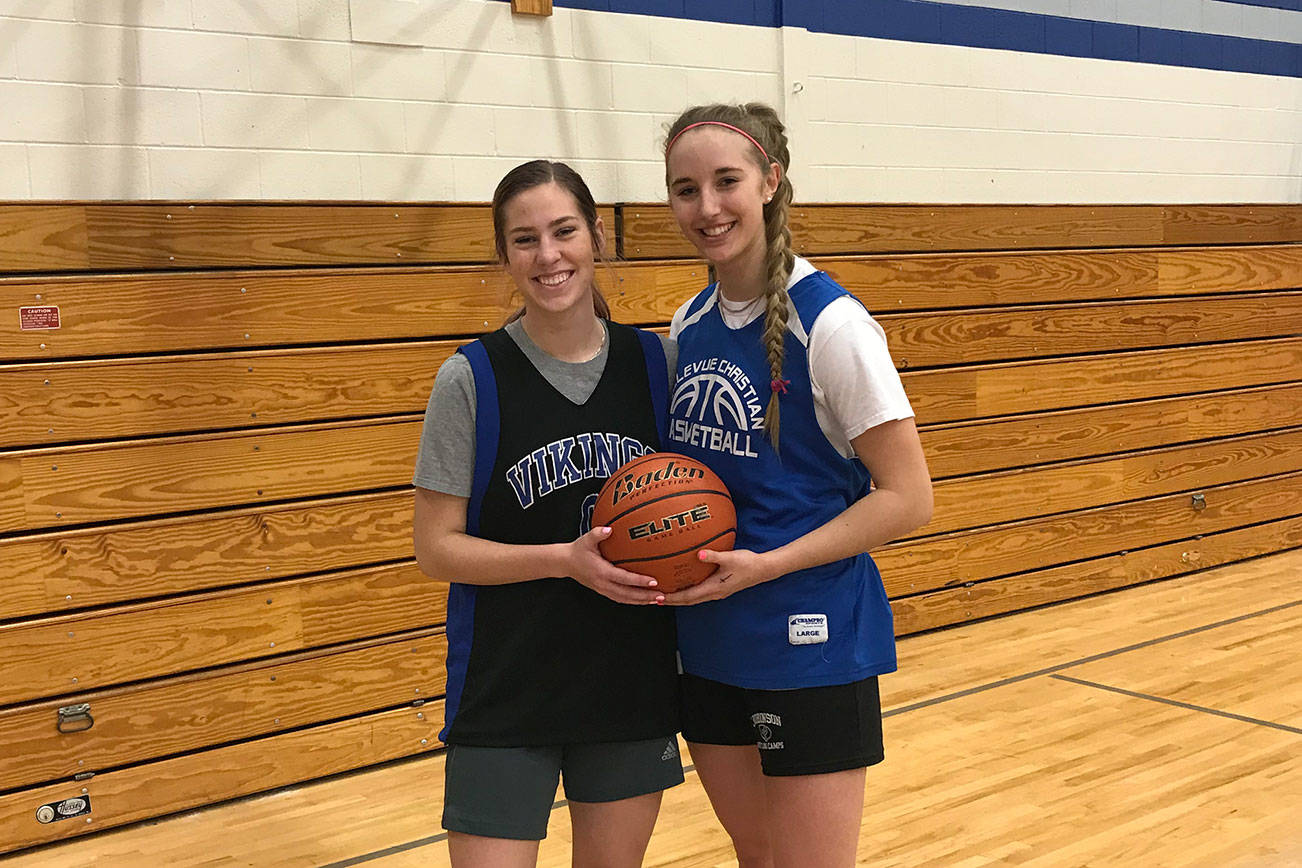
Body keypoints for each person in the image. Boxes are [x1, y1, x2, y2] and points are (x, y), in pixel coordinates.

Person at [660, 103, 935, 867]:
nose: (707, 207)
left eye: (726, 182)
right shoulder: (689, 323)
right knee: (757, 854)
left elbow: (909, 497)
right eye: (686, 189)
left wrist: (771, 564)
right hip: (710, 639)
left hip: (809, 642)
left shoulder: (835, 325)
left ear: (771, 181)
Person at [411, 159, 683, 868]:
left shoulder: (660, 365)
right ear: (503, 255)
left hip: (628, 686)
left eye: (564, 232)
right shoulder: (470, 378)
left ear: (596, 235)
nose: (549, 255)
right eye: (525, 239)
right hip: (506, 692)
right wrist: (562, 561)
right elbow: (436, 548)